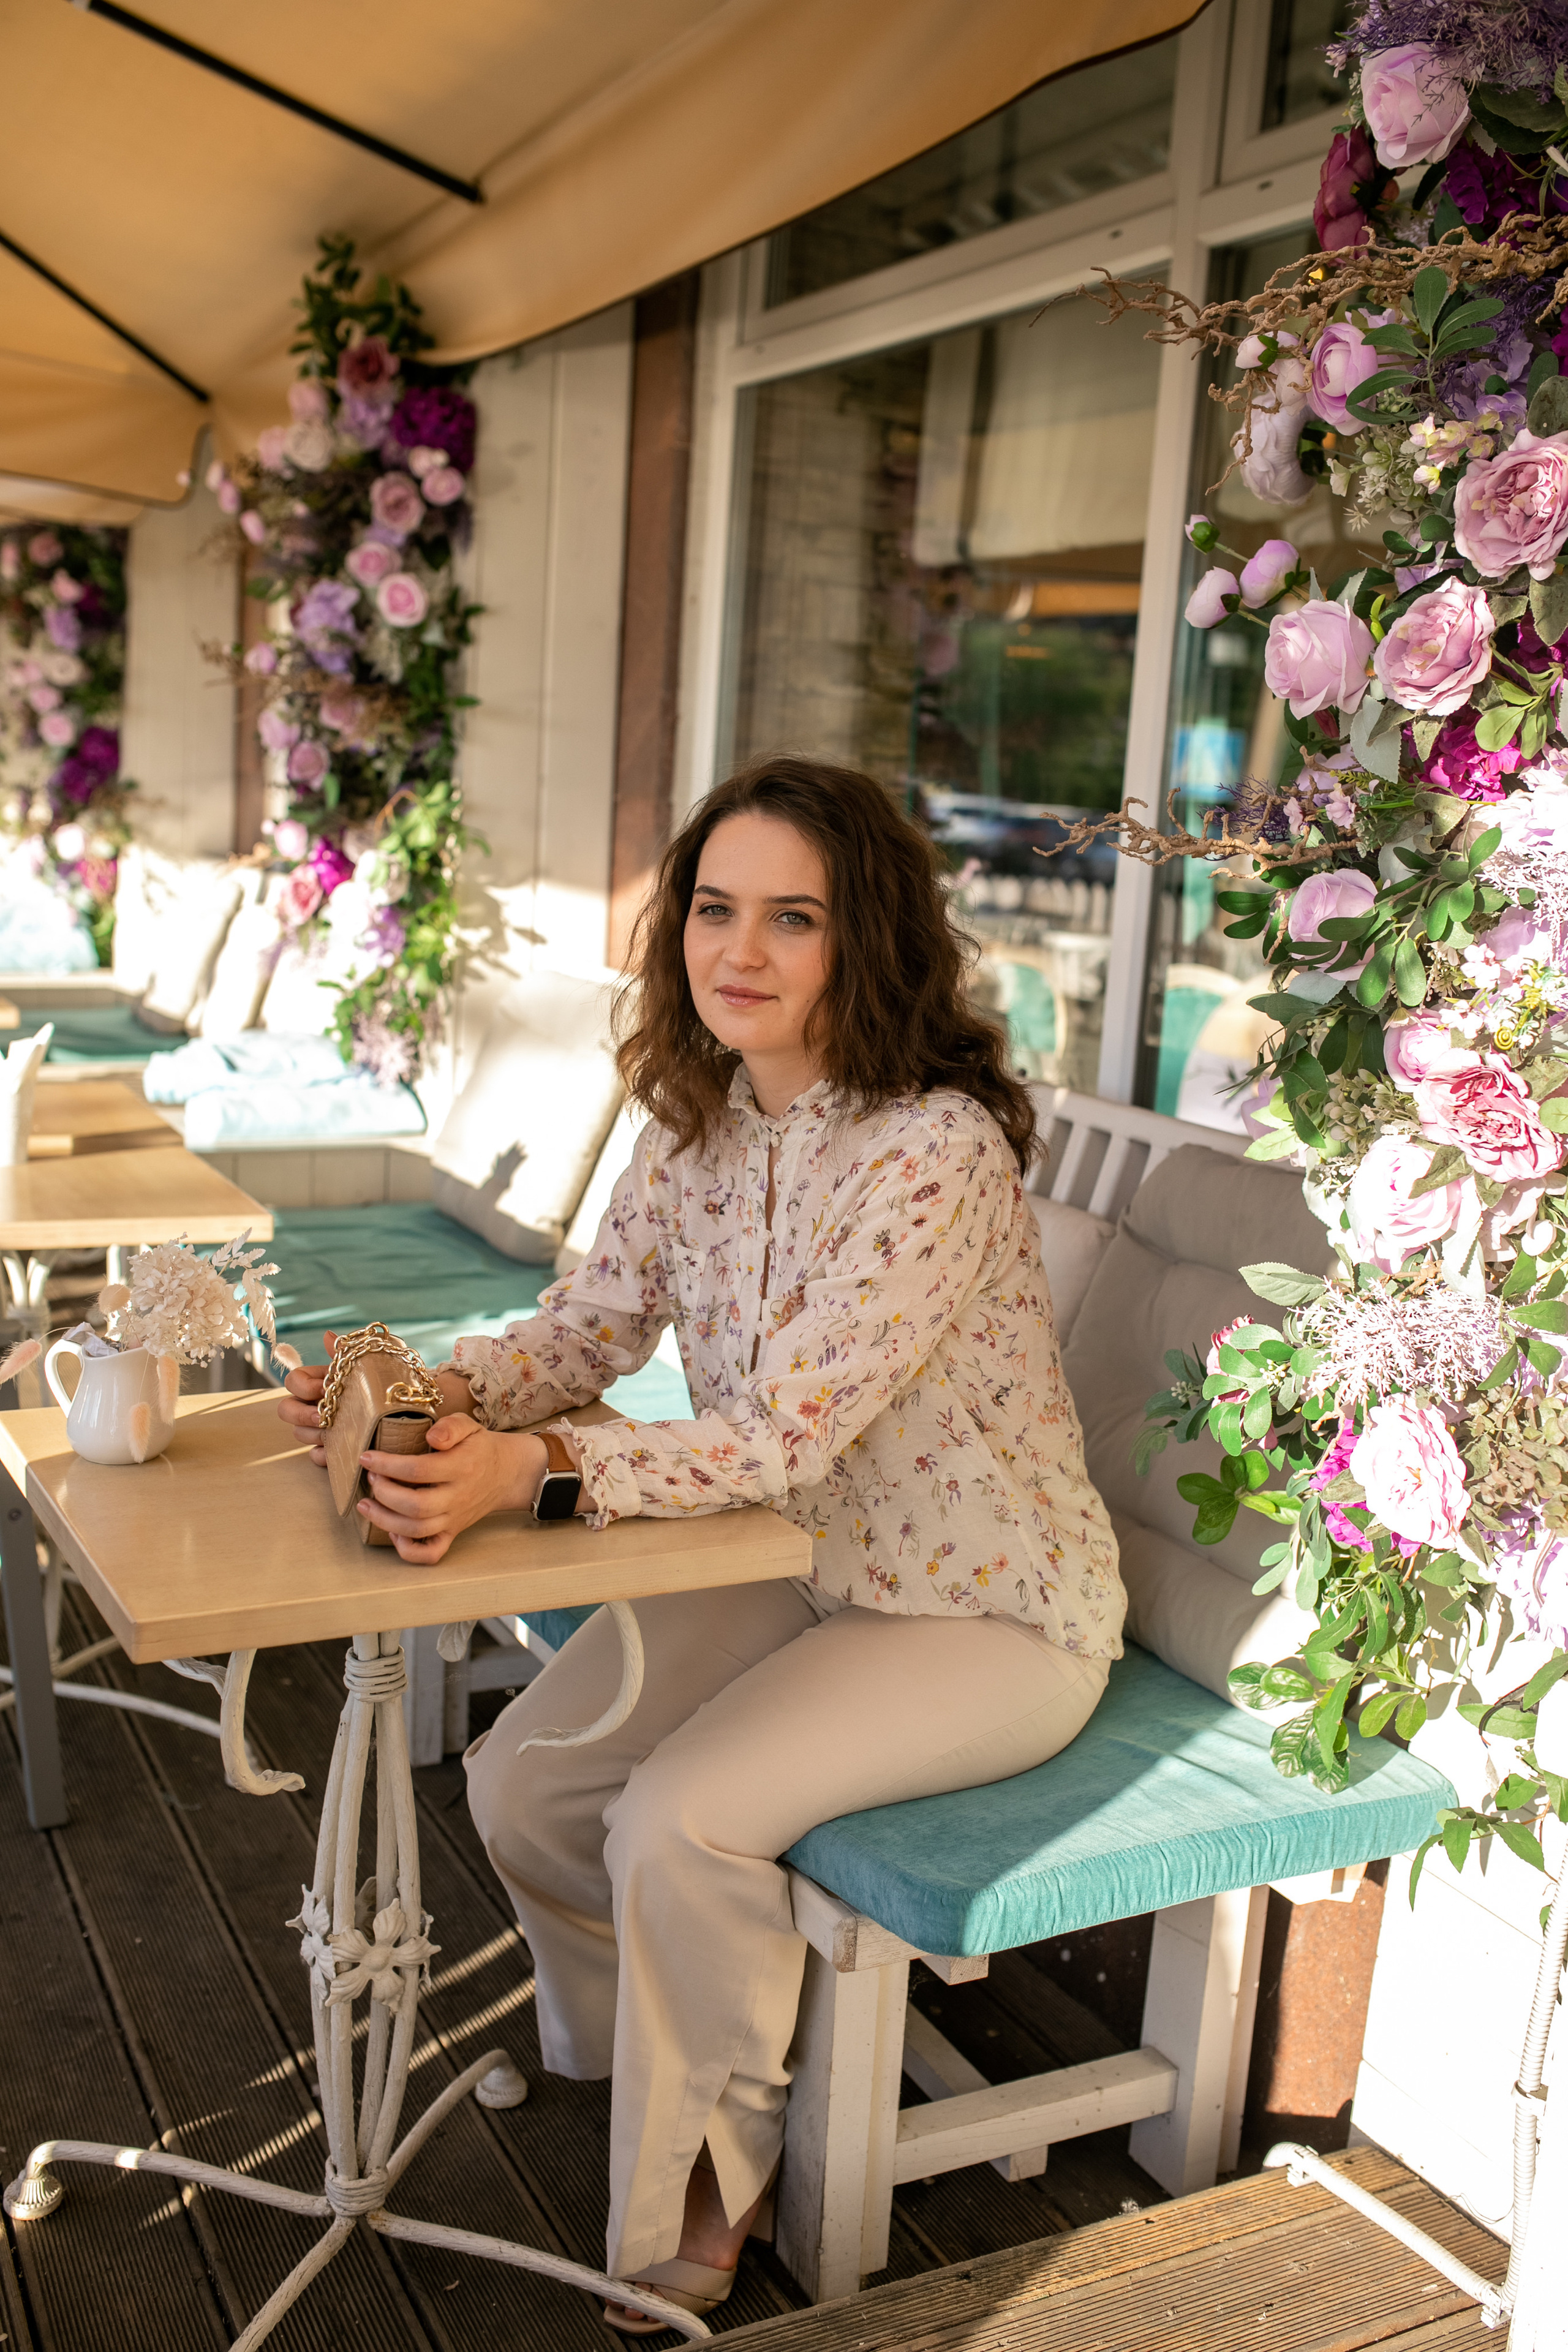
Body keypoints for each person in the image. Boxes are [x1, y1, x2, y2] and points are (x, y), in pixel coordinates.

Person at [278, 755, 1124, 2329]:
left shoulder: (934, 1149)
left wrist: (531, 1474)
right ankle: (659, 2068)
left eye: (792, 918)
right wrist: (421, 1393)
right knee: (526, 1780)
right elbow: (588, 1331)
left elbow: (786, 1433)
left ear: (866, 938)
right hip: (788, 1563)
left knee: (678, 1819)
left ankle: (702, 2172)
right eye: (713, 909)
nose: (738, 951)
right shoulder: (697, 1126)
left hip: (986, 1611)